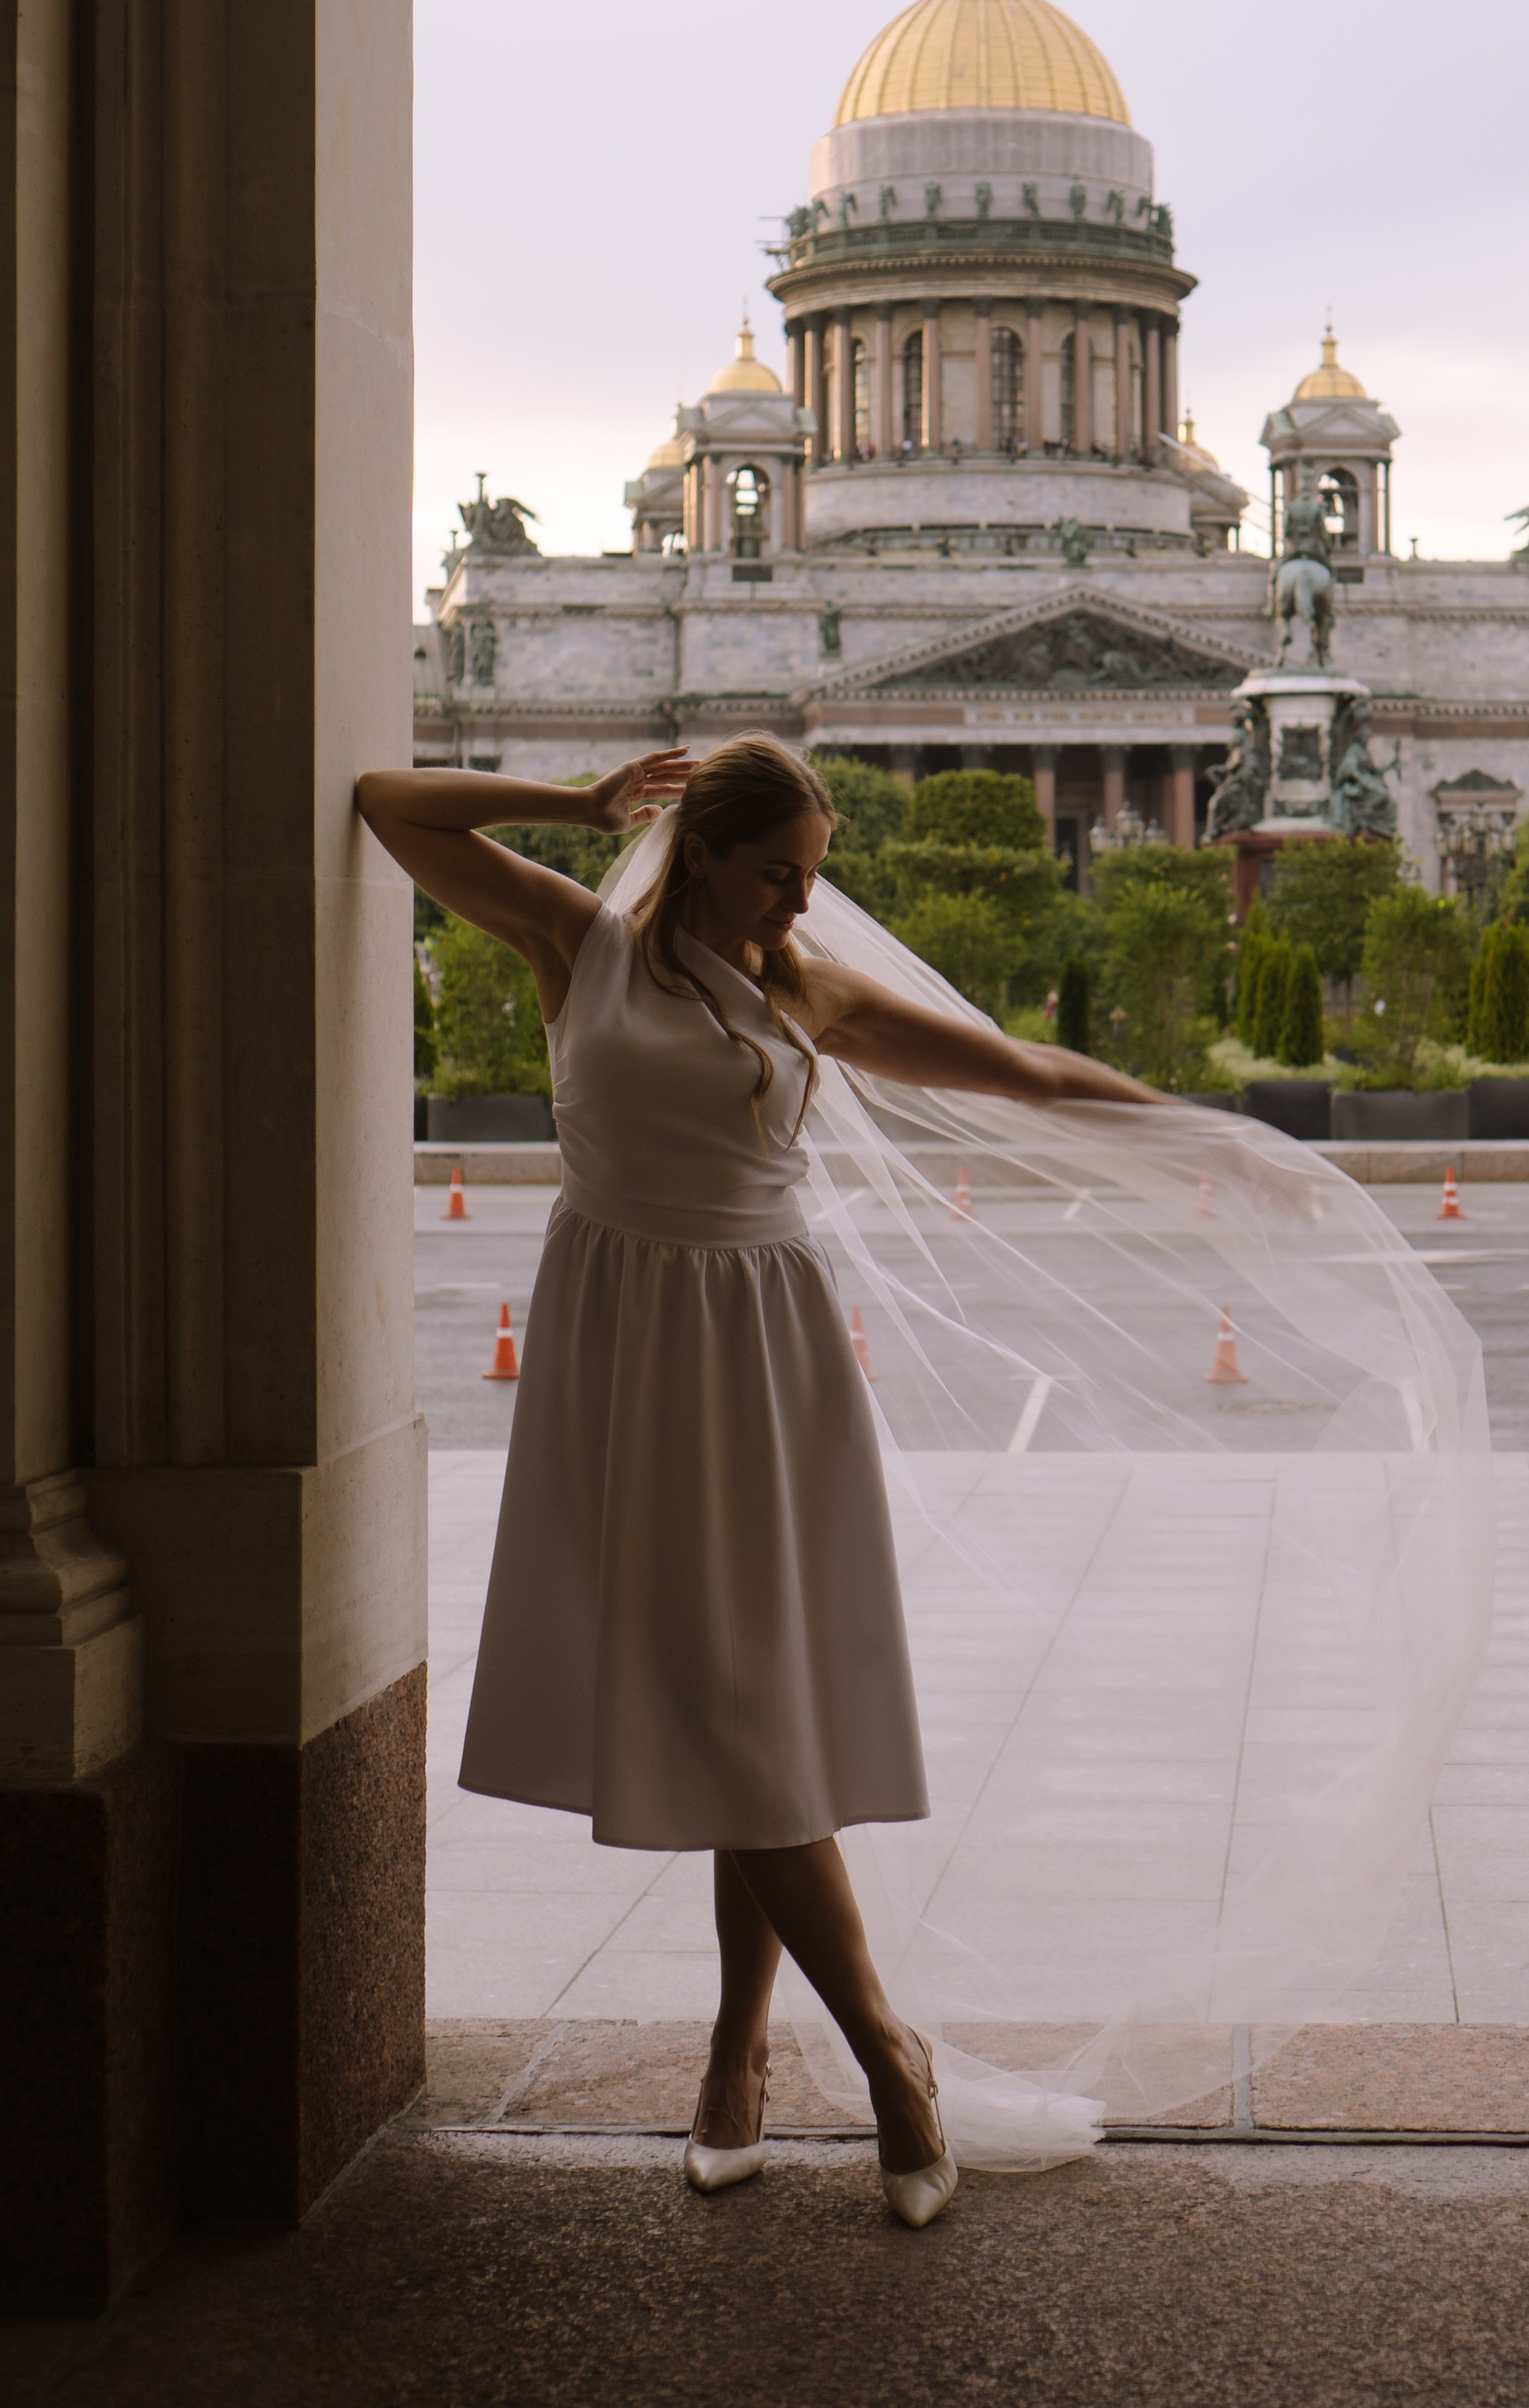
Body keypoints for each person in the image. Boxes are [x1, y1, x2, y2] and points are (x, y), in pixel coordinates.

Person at [356, 738, 1156, 2227]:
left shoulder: (803, 991)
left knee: (749, 1714)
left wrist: (1201, 1137)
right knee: (733, 1713)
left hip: (766, 1352)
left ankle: (769, 2059)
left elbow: (1023, 1073)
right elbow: (389, 806)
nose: (801, 902)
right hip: (624, 1349)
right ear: (699, 851)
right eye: (778, 869)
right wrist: (582, 804)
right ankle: (860, 2054)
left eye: (813, 874)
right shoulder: (574, 939)